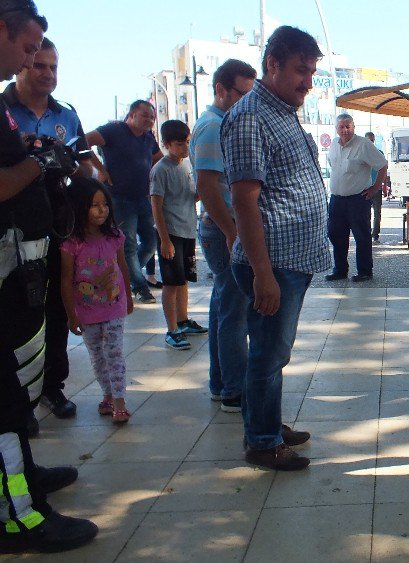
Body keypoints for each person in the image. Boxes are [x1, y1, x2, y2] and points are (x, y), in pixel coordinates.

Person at [0, 0, 99, 552]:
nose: (34, 56)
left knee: (16, 391)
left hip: (21, 270)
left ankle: (22, 476)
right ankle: (19, 517)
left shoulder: (60, 113)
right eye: (28, 46)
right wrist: (40, 162)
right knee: (5, 404)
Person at [221, 25, 329, 470]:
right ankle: (262, 442)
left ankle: (266, 420)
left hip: (290, 260)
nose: (308, 81)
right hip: (273, 263)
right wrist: (263, 274)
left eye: (312, 73)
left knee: (274, 352)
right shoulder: (249, 116)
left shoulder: (282, 110)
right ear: (273, 65)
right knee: (268, 352)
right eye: (301, 71)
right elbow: (245, 202)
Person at [5, 36, 92, 422]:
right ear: (22, 62)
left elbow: (86, 166)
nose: (48, 73)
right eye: (39, 64)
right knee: (17, 309)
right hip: (10, 224)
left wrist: (69, 165)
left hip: (57, 218)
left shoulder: (67, 114)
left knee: (57, 303)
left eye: (54, 66)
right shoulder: (4, 111)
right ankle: (14, 402)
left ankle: (52, 388)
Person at [192, 58, 256, 412]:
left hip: (223, 227)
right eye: (242, 94)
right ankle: (234, 390)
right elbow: (207, 187)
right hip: (222, 229)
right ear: (221, 90)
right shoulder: (213, 127)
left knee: (223, 307)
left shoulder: (222, 121)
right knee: (234, 311)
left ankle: (222, 383)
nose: (248, 102)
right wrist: (232, 232)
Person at [61, 179, 133, 422]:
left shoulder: (115, 237)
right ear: (80, 208)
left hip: (114, 307)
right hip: (87, 312)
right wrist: (71, 314)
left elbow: (123, 267)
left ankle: (120, 401)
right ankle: (108, 395)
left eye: (104, 204)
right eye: (94, 205)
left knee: (114, 353)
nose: (102, 210)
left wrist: (129, 297)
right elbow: (66, 281)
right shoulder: (72, 245)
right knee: (97, 356)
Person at [86, 99, 163, 305]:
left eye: (152, 117)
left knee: (151, 241)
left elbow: (159, 159)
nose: (149, 120)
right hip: (119, 199)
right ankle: (139, 286)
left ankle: (125, 274)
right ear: (131, 114)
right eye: (145, 115)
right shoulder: (113, 130)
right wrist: (100, 170)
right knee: (128, 245)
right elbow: (83, 141)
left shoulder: (148, 138)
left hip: (143, 198)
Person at [149, 120, 205, 351]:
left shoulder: (187, 165)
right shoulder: (160, 169)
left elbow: (190, 196)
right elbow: (156, 205)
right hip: (170, 233)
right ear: (166, 144)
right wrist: (164, 240)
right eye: (179, 144)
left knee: (183, 281)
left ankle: (183, 321)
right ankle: (171, 330)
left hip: (188, 230)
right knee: (171, 283)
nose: (184, 148)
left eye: (187, 143)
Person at [324, 114, 387, 282]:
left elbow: (382, 165)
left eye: (348, 127)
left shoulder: (363, 144)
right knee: (336, 235)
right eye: (341, 127)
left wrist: (375, 188)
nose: (344, 130)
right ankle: (340, 270)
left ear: (353, 127)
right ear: (336, 128)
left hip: (357, 200)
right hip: (337, 199)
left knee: (362, 236)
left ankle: (365, 271)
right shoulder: (333, 145)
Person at [364, 131, 386, 242]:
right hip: (364, 188)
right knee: (365, 212)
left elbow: (384, 169)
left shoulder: (379, 152)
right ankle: (367, 233)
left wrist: (385, 186)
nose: (371, 142)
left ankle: (375, 234)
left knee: (377, 212)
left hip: (376, 188)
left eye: (372, 140)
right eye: (369, 140)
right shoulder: (361, 153)